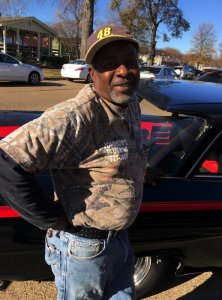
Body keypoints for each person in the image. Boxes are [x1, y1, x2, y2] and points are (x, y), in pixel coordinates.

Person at [0, 24, 147, 299]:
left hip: (121, 241)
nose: (124, 70)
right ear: (92, 74)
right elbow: (5, 162)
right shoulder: (74, 117)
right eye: (109, 64)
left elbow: (123, 151)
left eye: (130, 61)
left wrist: (141, 172)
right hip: (83, 250)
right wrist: (53, 220)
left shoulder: (131, 104)